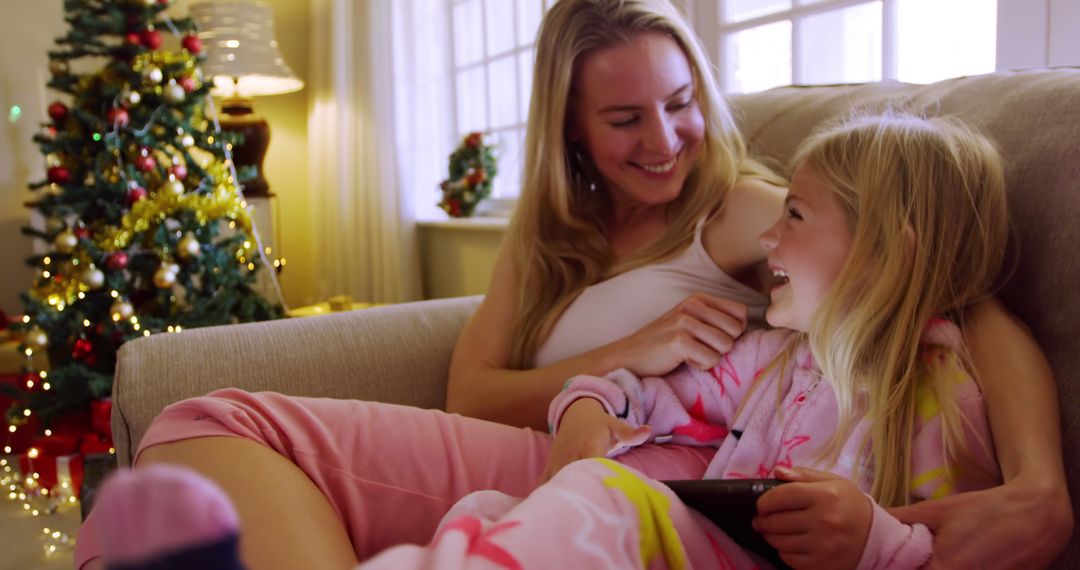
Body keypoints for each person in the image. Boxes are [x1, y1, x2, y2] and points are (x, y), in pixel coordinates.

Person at [75, 1, 1071, 568]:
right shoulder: (554, 231)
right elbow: (471, 388)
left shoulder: (741, 211)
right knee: (197, 426)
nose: (668, 138)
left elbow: (930, 289)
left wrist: (1037, 487)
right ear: (572, 131)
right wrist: (611, 370)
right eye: (626, 117)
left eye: (680, 103)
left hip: (641, 472)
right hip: (571, 444)